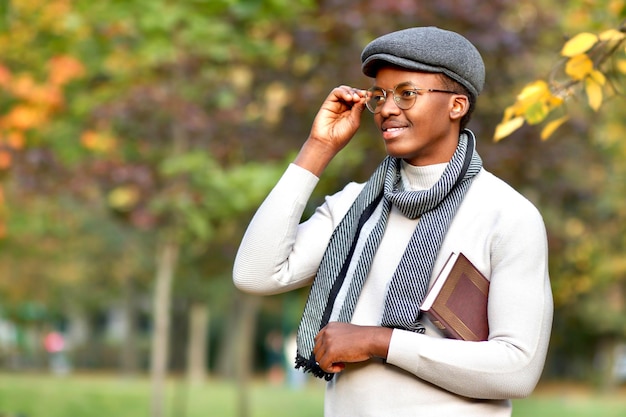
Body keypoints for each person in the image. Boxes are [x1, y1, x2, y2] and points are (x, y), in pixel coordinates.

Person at [233, 26, 553, 416]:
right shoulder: (354, 205)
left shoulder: (507, 215)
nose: (386, 109)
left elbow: (517, 368)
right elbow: (256, 273)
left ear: (457, 105)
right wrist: (318, 148)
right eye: (380, 96)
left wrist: (379, 341)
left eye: (407, 94)